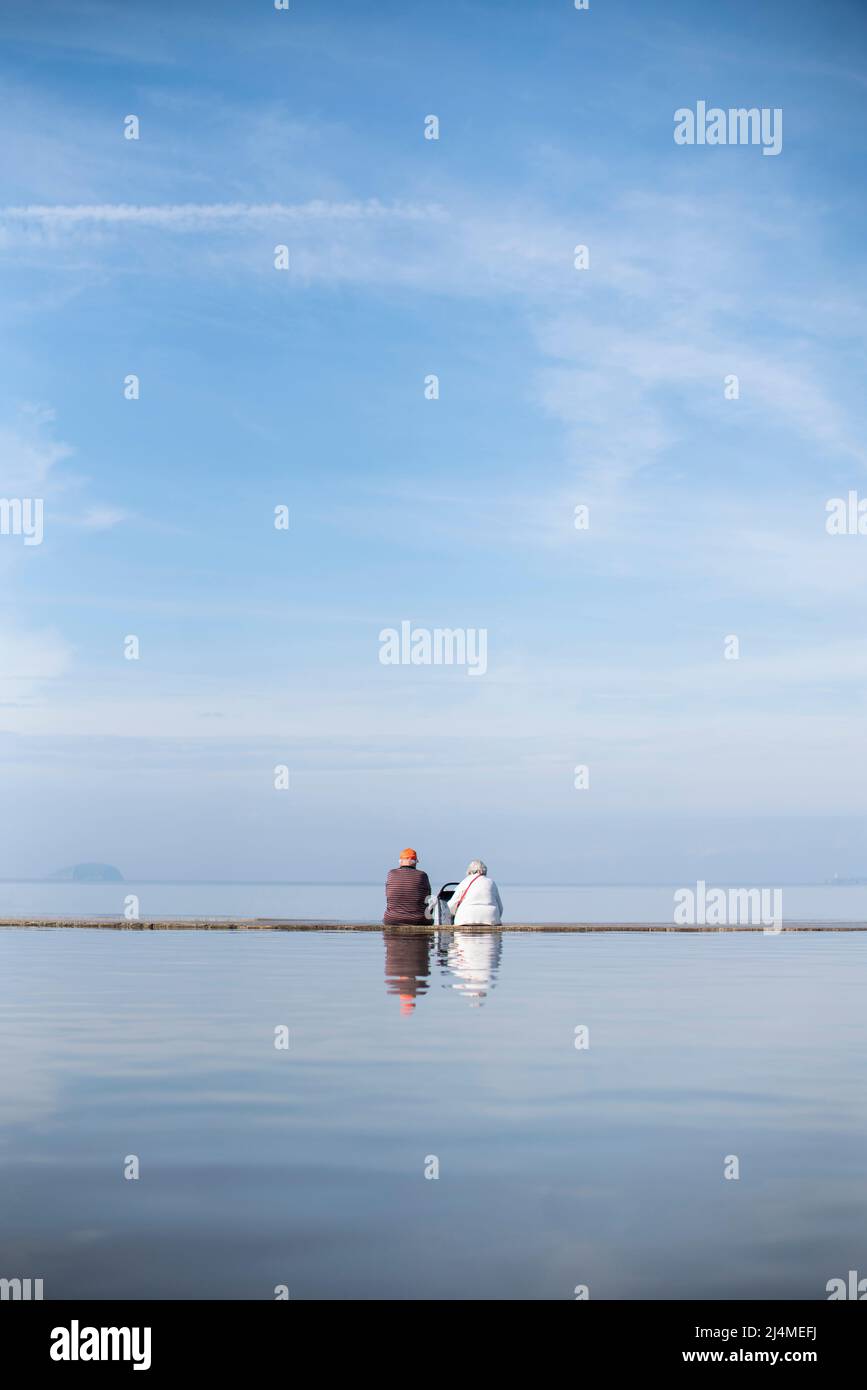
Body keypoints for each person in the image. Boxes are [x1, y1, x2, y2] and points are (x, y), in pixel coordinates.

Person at [383, 848, 431, 926]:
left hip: (392, 919)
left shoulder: (391, 873)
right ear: (415, 862)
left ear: (400, 861)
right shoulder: (422, 875)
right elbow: (428, 898)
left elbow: (388, 896)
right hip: (418, 920)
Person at [448, 860, 503, 927]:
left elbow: (451, 905)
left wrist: (453, 915)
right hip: (491, 919)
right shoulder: (491, 882)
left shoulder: (465, 881)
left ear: (469, 871)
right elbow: (500, 908)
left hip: (465, 919)